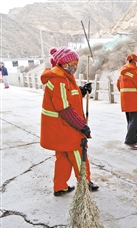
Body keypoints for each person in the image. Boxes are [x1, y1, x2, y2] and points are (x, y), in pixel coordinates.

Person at [40, 46, 99, 196]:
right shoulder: (59, 79)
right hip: (65, 127)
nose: (74, 67)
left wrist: (81, 91)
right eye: (72, 64)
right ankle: (85, 182)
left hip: (60, 127)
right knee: (79, 152)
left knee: (63, 156)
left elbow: (68, 95)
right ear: (63, 63)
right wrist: (82, 126)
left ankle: (60, 186)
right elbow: (64, 107)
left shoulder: (63, 75)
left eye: (76, 64)